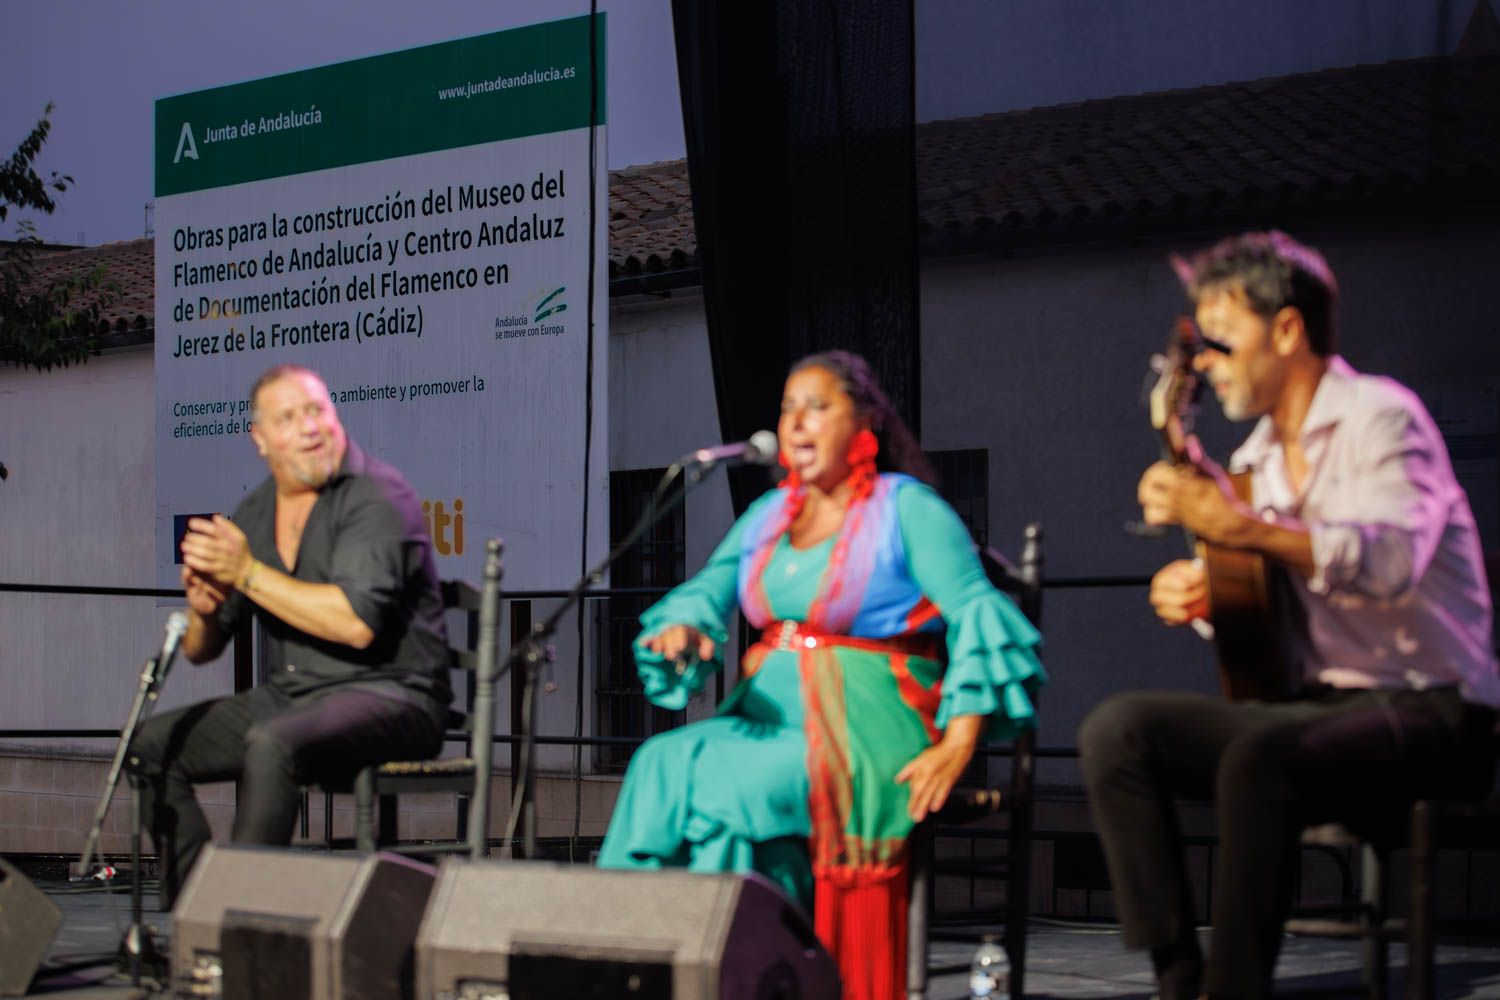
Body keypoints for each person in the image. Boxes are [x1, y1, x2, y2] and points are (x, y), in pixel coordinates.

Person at [1079, 231, 1500, 1000]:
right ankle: (1180, 978)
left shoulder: (1384, 417)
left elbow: (1391, 559)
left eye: (1220, 339)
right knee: (1118, 731)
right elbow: (1266, 600)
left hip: (1437, 708)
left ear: (1285, 330)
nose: (1203, 359)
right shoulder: (1258, 461)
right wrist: (1205, 596)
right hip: (1317, 711)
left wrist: (1239, 528)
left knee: (1259, 756)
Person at [597, 350, 1046, 1000]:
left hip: (866, 722)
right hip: (769, 718)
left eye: (818, 406)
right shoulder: (771, 515)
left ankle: (739, 973)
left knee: (732, 791)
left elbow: (978, 612)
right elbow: (711, 587)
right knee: (660, 764)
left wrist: (959, 739)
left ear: (864, 420)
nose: (797, 423)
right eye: (787, 409)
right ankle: (623, 967)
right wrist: (687, 625)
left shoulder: (906, 508)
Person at [128, 364, 451, 905]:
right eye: (288, 417)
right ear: (260, 439)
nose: (309, 427)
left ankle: (242, 921)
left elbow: (354, 623)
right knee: (150, 748)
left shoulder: (377, 496)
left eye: (317, 410)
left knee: (272, 743)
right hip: (294, 695)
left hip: (393, 694)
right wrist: (205, 609)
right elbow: (203, 650)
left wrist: (247, 574)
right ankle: (196, 915)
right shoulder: (256, 511)